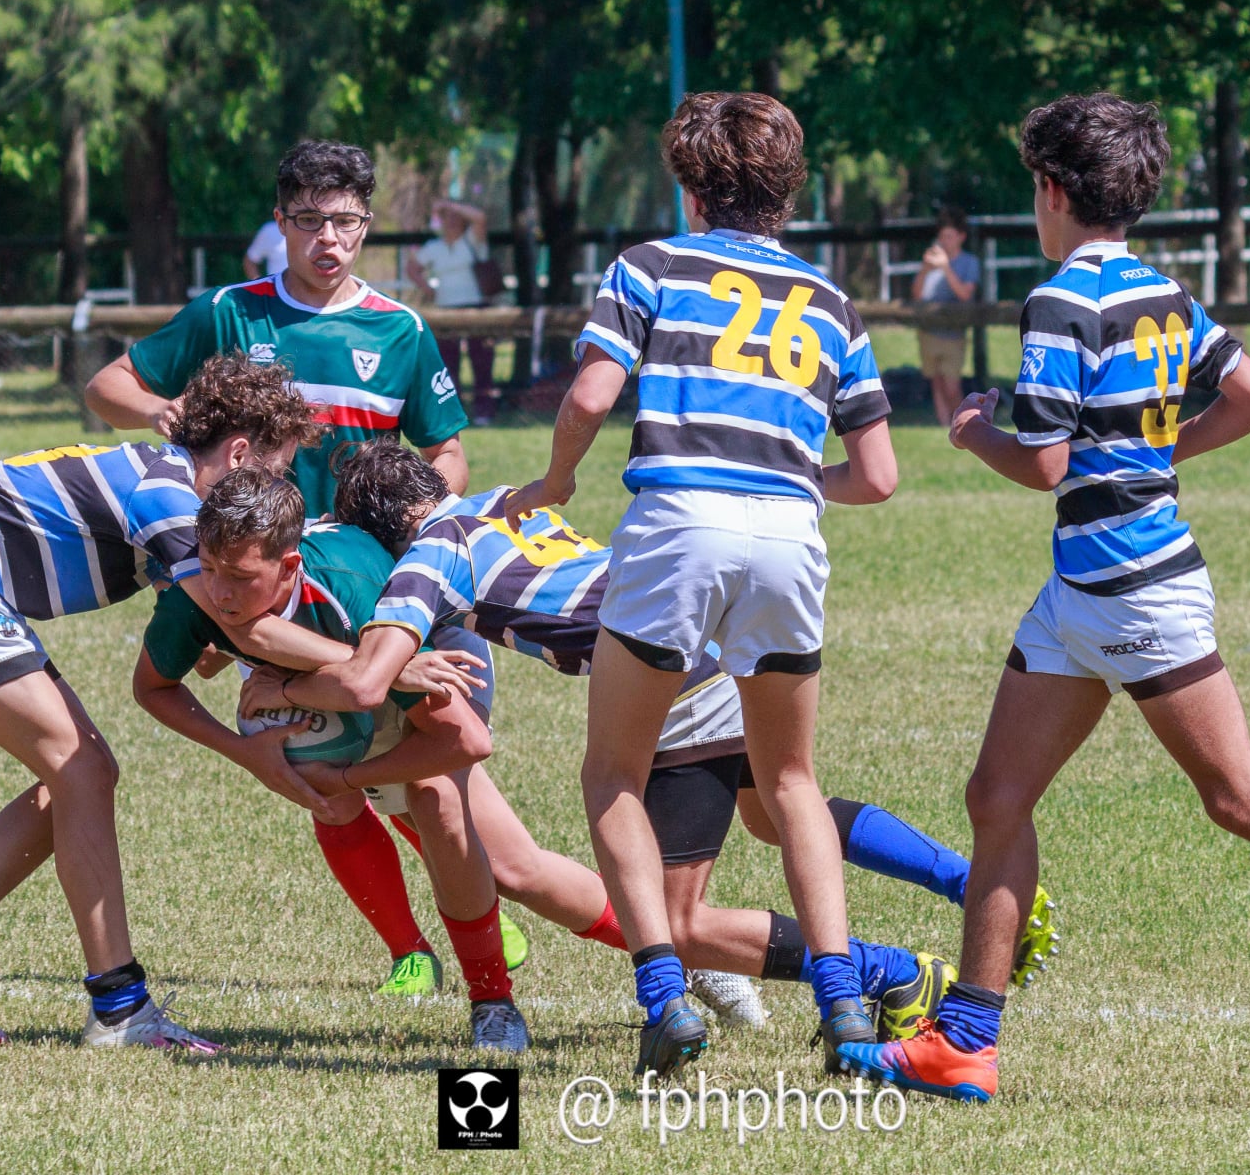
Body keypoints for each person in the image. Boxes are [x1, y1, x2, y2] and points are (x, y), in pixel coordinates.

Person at [838, 93, 1250, 1110]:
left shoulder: (1059, 302)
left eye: (1032, 187)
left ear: (1052, 191)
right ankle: (965, 1041)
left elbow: (1044, 463)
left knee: (1239, 798)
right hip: (1081, 593)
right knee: (996, 797)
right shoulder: (1164, 294)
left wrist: (973, 434)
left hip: (1135, 592)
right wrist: (1159, 454)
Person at [242, 443, 994, 1059]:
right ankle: (965, 882)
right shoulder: (501, 502)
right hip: (715, 653)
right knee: (778, 810)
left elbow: (369, 677)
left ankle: (896, 972)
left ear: (386, 531)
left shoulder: (430, 554)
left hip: (670, 687)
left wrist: (286, 683)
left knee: (677, 921)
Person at [502, 90, 898, 1079]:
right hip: (789, 540)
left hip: (676, 529)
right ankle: (845, 1006)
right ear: (788, 190)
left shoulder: (650, 266)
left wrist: (555, 482)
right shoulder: (831, 300)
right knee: (792, 780)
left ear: (690, 187)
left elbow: (591, 394)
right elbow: (879, 475)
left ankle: (664, 1000)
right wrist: (784, 478)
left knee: (613, 773)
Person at [0, 354, 328, 1051]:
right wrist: (377, 664)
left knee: (77, 777)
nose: (278, 486)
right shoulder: (170, 496)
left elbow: (205, 634)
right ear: (238, 454)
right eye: (278, 467)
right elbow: (244, 629)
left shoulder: (168, 487)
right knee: (82, 770)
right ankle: (118, 1008)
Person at [130, 467, 529, 1051]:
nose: (219, 592)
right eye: (209, 568)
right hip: (358, 680)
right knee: (330, 800)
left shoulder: (351, 587)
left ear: (288, 566)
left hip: (430, 657)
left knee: (482, 839)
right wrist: (246, 752)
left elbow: (465, 740)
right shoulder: (201, 594)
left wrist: (344, 769)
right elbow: (152, 687)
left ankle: (635, 966)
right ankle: (418, 956)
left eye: (239, 578)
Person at [84, 139, 470, 512]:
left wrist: (406, 513)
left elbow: (449, 454)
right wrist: (157, 410)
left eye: (345, 221)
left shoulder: (402, 330)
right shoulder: (228, 311)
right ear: (281, 223)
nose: (328, 237)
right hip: (238, 549)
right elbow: (104, 388)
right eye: (309, 220)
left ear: (365, 226)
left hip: (356, 552)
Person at [406, 199, 499, 424]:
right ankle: (452, 411)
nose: (452, 221)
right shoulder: (434, 247)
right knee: (448, 363)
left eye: (456, 217)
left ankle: (483, 411)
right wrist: (427, 288)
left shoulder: (472, 240)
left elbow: (480, 218)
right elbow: (412, 268)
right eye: (447, 218)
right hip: (446, 309)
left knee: (481, 360)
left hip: (476, 307)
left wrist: (449, 205)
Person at [911, 206, 981, 426]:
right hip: (928, 331)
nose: (944, 241)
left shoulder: (969, 263)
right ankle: (944, 426)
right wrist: (925, 268)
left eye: (949, 236)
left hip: (954, 334)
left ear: (961, 237)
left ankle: (962, 424)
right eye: (942, 236)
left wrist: (945, 268)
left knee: (952, 384)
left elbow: (965, 295)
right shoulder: (931, 262)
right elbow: (917, 294)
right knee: (937, 382)